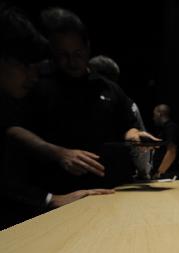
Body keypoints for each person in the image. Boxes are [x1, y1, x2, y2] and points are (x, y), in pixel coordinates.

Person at [0, 4, 113, 229]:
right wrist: (50, 199)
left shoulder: (106, 87)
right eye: (25, 65)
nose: (33, 75)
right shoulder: (40, 87)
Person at [26, 7, 159, 193]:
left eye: (77, 54)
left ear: (88, 48)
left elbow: (127, 125)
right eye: (63, 55)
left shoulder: (107, 87)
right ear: (53, 52)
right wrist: (59, 153)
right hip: (57, 190)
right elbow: (16, 130)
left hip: (107, 187)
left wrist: (135, 136)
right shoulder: (37, 83)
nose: (71, 62)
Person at [89, 54, 152, 179]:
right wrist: (143, 171)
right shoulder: (127, 102)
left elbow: (135, 136)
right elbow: (139, 144)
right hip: (114, 173)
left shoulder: (67, 96)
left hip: (76, 172)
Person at [151, 104, 179, 179]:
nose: (153, 118)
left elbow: (171, 151)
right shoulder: (164, 129)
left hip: (169, 175)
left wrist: (159, 172)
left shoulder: (171, 127)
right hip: (164, 175)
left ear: (159, 114)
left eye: (154, 115)